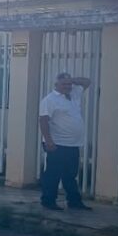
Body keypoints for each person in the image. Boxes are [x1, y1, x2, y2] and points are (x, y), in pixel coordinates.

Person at [38, 71, 93, 211]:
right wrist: (48, 141)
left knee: (70, 174)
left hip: (73, 144)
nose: (67, 86)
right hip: (57, 144)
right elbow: (43, 120)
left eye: (69, 84)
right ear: (56, 84)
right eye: (64, 84)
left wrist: (71, 80)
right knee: (53, 174)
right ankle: (48, 201)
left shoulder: (74, 94)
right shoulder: (50, 100)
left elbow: (87, 81)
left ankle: (74, 201)